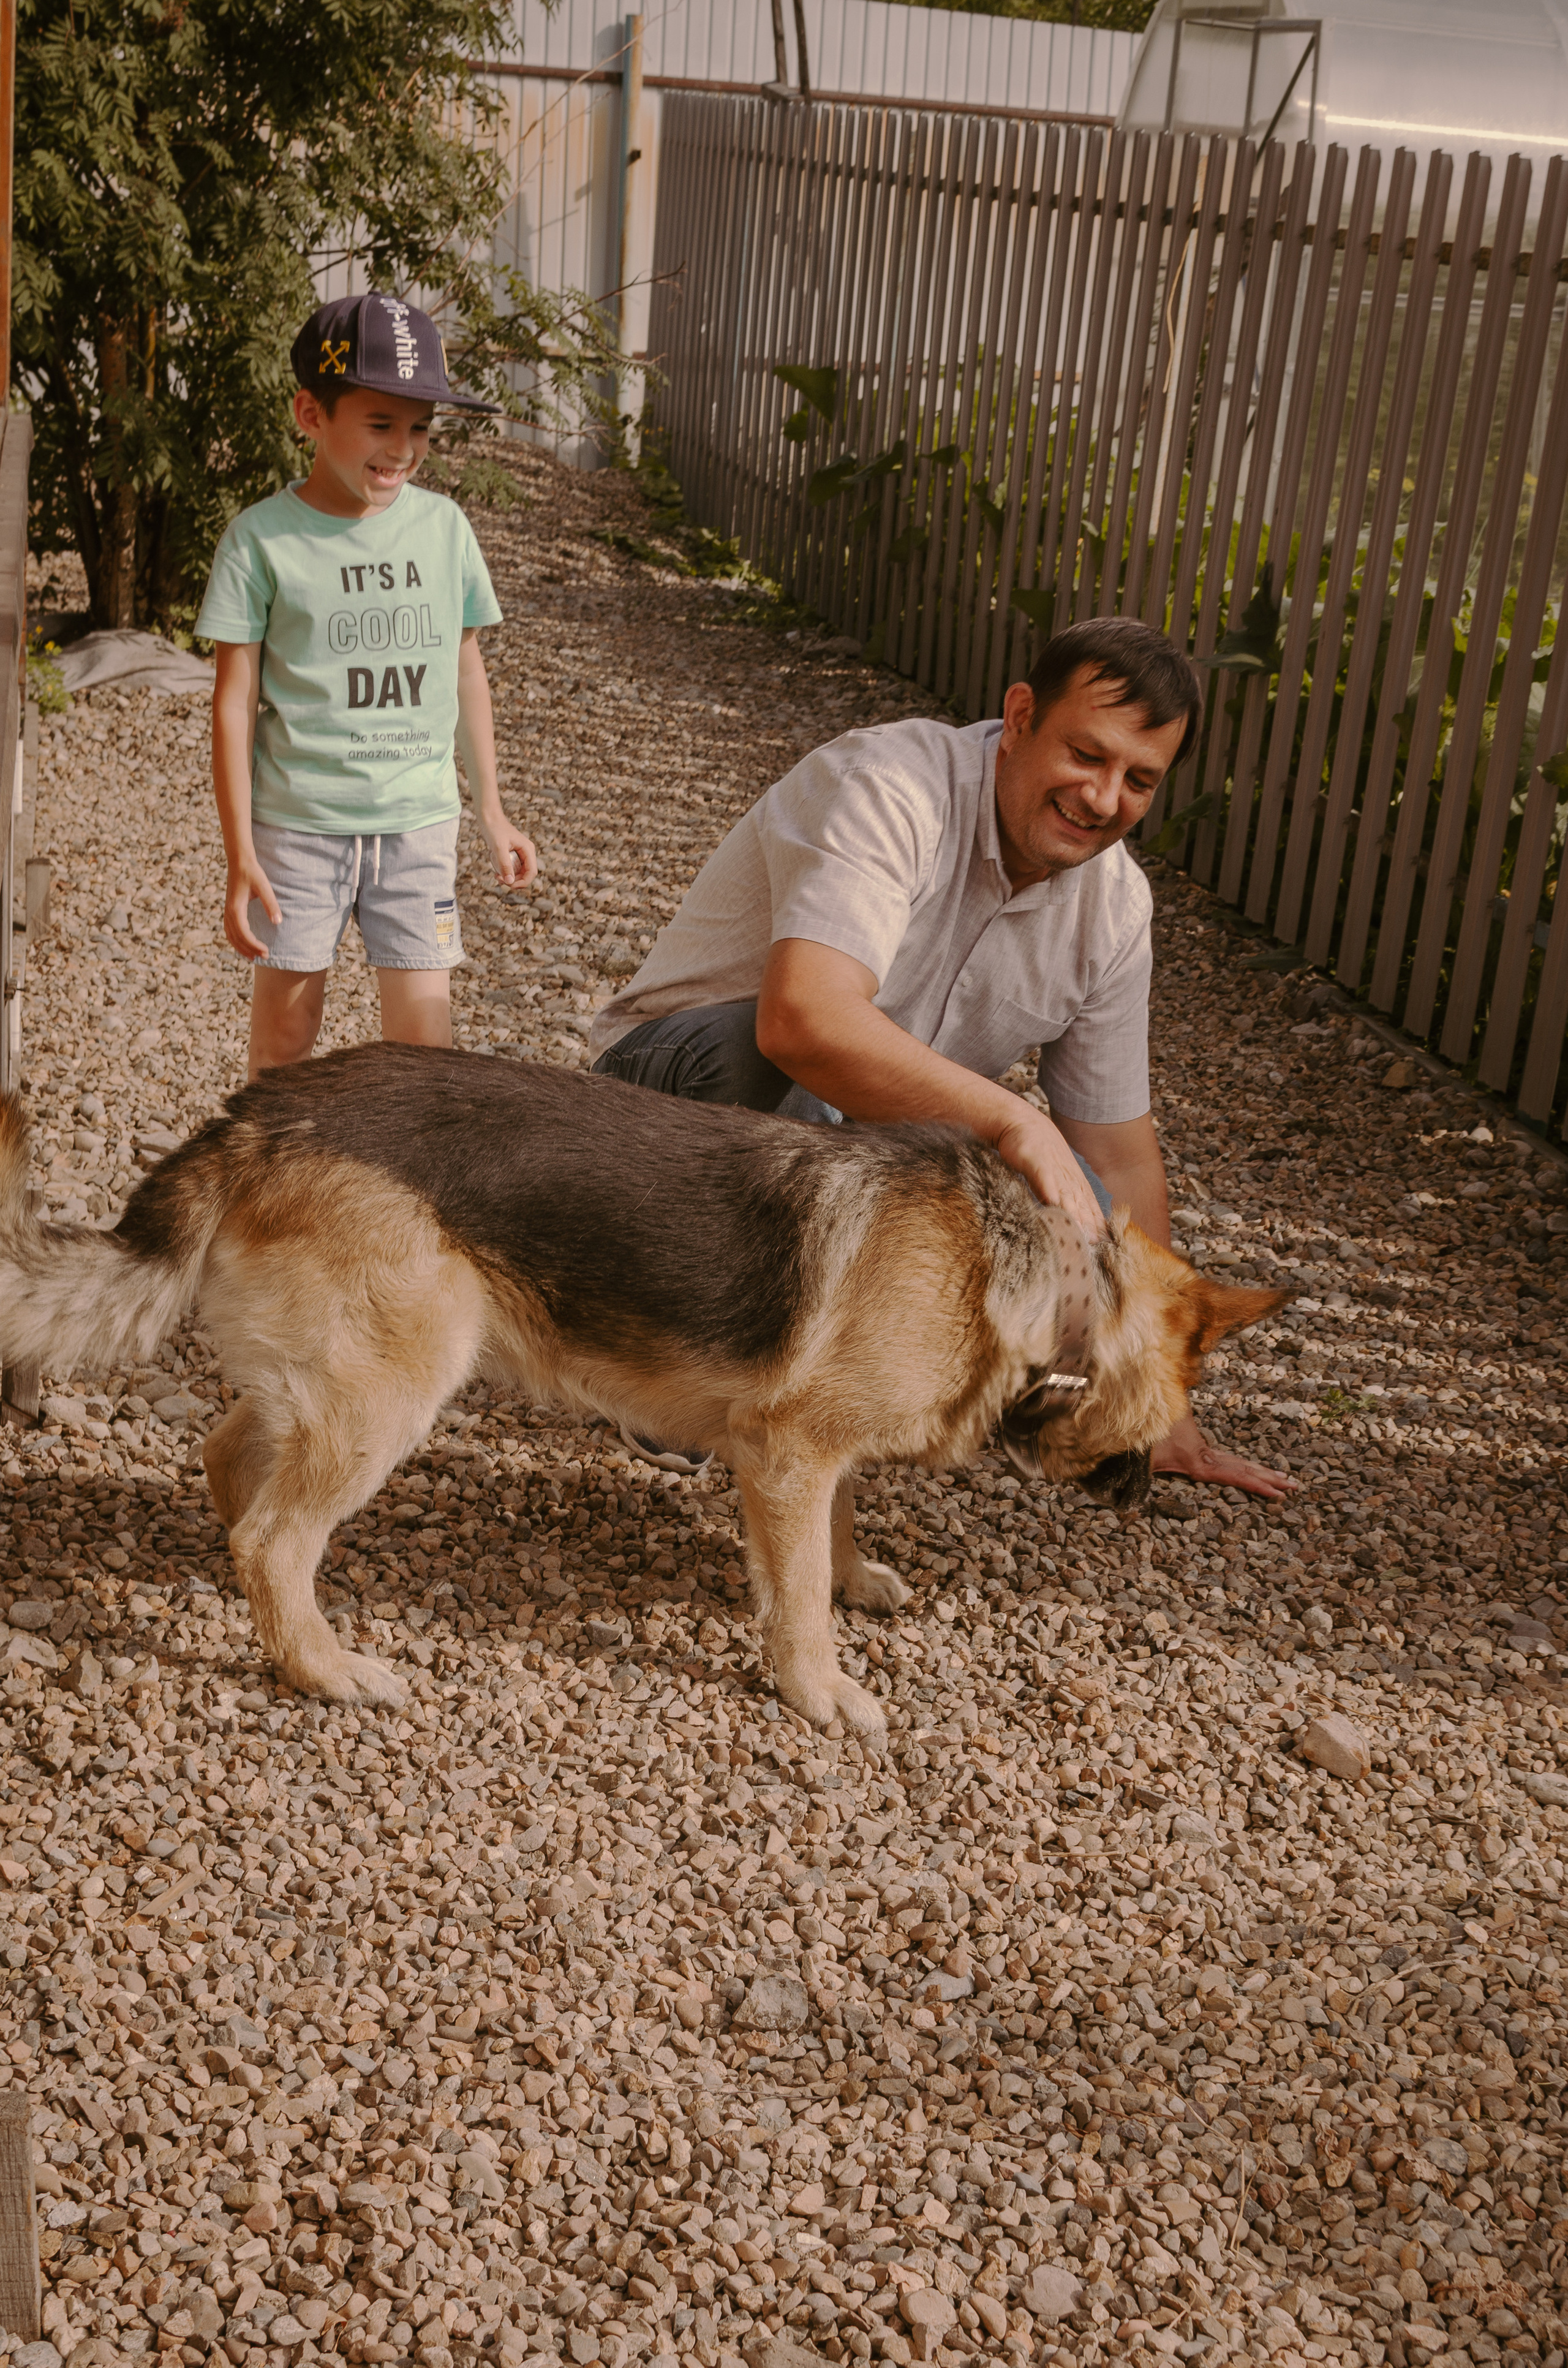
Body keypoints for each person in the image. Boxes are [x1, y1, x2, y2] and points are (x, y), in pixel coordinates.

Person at [590, 614, 1292, 1500]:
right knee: (796, 1086)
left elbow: (1115, 1156)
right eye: (1089, 754)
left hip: (854, 1145)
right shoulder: (892, 783)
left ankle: (822, 1384)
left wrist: (1162, 1406)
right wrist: (1009, 1117)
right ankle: (668, 1359)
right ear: (1022, 714)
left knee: (1084, 1195)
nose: (1106, 798)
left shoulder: (1115, 908)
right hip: (661, 1107)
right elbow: (801, 1022)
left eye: (1140, 780)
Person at [197, 291, 537, 1080]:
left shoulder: (446, 528)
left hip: (418, 829)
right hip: (300, 830)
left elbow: (465, 667)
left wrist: (490, 808)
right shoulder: (259, 541)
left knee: (425, 1053)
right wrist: (239, 850)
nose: (403, 450)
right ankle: (268, 1198)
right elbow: (234, 703)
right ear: (310, 413)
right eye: (380, 425)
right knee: (284, 1043)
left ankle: (402, 1205)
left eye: (420, 428)